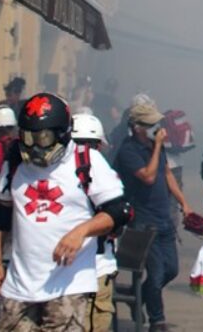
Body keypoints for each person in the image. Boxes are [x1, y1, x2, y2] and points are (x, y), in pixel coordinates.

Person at [0, 92, 132, 332]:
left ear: (62, 134)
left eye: (43, 138)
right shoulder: (15, 162)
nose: (34, 146)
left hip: (68, 284)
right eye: (27, 137)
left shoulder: (86, 161)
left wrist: (81, 231)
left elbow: (119, 211)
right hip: (20, 284)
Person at [114, 101, 195, 332]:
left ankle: (139, 295)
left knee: (171, 270)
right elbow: (148, 176)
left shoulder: (153, 147)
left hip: (163, 218)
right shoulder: (129, 150)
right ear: (137, 126)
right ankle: (157, 320)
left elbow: (166, 174)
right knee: (156, 272)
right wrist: (158, 146)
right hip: (143, 221)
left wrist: (184, 204)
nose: (155, 128)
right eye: (150, 124)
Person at [73, 113, 117, 332]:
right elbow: (119, 218)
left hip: (58, 271)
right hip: (97, 266)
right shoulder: (105, 173)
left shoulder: (49, 172)